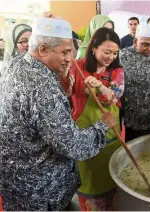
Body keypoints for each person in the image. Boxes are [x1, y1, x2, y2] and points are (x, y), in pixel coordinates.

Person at [0, 17, 116, 211]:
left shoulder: (14, 65)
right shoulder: (41, 87)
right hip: (40, 191)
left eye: (71, 51)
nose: (70, 58)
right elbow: (72, 145)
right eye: (65, 52)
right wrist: (103, 125)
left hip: (16, 184)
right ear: (43, 49)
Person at [60, 27, 123, 210]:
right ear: (93, 48)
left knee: (111, 183)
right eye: (107, 52)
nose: (111, 56)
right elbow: (65, 90)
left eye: (114, 53)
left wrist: (102, 88)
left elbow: (115, 96)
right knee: (90, 185)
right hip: (84, 137)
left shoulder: (117, 71)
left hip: (110, 138)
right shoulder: (76, 67)